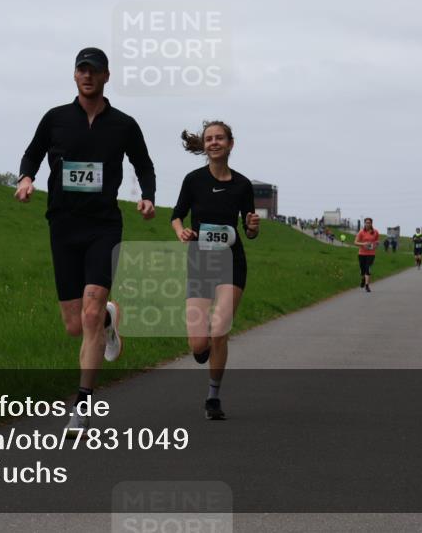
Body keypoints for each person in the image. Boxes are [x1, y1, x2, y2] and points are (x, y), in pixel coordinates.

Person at [16, 47, 156, 435]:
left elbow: (143, 163)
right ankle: (111, 319)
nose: (88, 76)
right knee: (75, 325)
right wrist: (26, 178)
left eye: (94, 70)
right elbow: (32, 154)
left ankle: (82, 405)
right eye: (82, 70)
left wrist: (148, 195)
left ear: (107, 76)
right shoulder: (56, 118)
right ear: (75, 76)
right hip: (63, 225)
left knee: (89, 313)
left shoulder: (124, 125)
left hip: (103, 226)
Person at [172, 121, 260, 421]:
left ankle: (213, 396)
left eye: (219, 138)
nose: (213, 142)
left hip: (231, 261)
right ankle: (203, 352)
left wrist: (251, 227)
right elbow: (176, 216)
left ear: (230, 144)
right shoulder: (193, 180)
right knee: (199, 344)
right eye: (209, 138)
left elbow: (249, 230)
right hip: (200, 261)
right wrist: (181, 231)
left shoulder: (242, 185)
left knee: (219, 330)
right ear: (204, 146)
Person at [354, 217, 379, 292]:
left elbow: (377, 241)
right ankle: (363, 279)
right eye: (366, 222)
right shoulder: (361, 232)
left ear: (371, 223)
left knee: (367, 268)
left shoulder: (375, 232)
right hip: (362, 253)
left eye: (369, 222)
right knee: (362, 270)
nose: (368, 224)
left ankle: (367, 285)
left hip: (371, 254)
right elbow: (355, 242)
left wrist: (376, 245)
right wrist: (363, 244)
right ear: (364, 223)